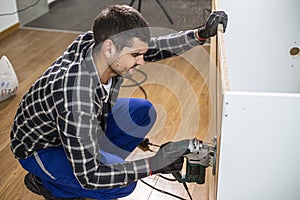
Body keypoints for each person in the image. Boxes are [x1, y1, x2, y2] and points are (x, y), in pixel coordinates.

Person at [10, 5, 227, 200]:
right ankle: (50, 184)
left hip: (77, 126)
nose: (142, 61)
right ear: (109, 48)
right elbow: (91, 176)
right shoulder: (75, 97)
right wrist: (154, 164)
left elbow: (150, 48)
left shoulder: (96, 44)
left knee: (142, 112)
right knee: (120, 185)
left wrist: (199, 35)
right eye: (135, 56)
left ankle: (93, 162)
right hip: (42, 148)